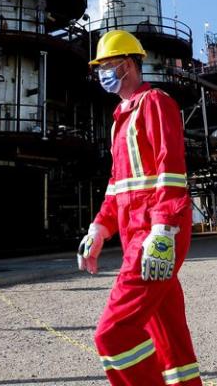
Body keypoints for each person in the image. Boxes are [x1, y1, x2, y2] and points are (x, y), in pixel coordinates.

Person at [78, 30, 202, 386]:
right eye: (99, 67)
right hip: (137, 237)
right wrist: (99, 229)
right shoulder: (121, 118)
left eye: (107, 65)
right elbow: (118, 188)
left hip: (158, 235)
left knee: (112, 334)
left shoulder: (156, 103)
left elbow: (171, 171)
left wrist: (163, 231)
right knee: (170, 343)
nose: (102, 73)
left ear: (128, 64)